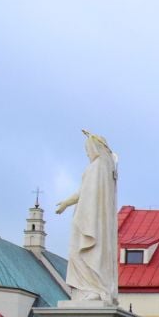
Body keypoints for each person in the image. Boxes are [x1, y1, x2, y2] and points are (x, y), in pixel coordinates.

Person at [55, 130, 119, 305]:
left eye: (88, 150)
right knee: (82, 253)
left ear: (95, 148)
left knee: (82, 252)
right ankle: (91, 288)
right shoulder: (105, 167)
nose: (87, 153)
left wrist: (67, 203)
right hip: (93, 219)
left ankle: (94, 288)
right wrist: (67, 203)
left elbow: (86, 193)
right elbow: (85, 192)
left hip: (90, 219)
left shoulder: (97, 167)